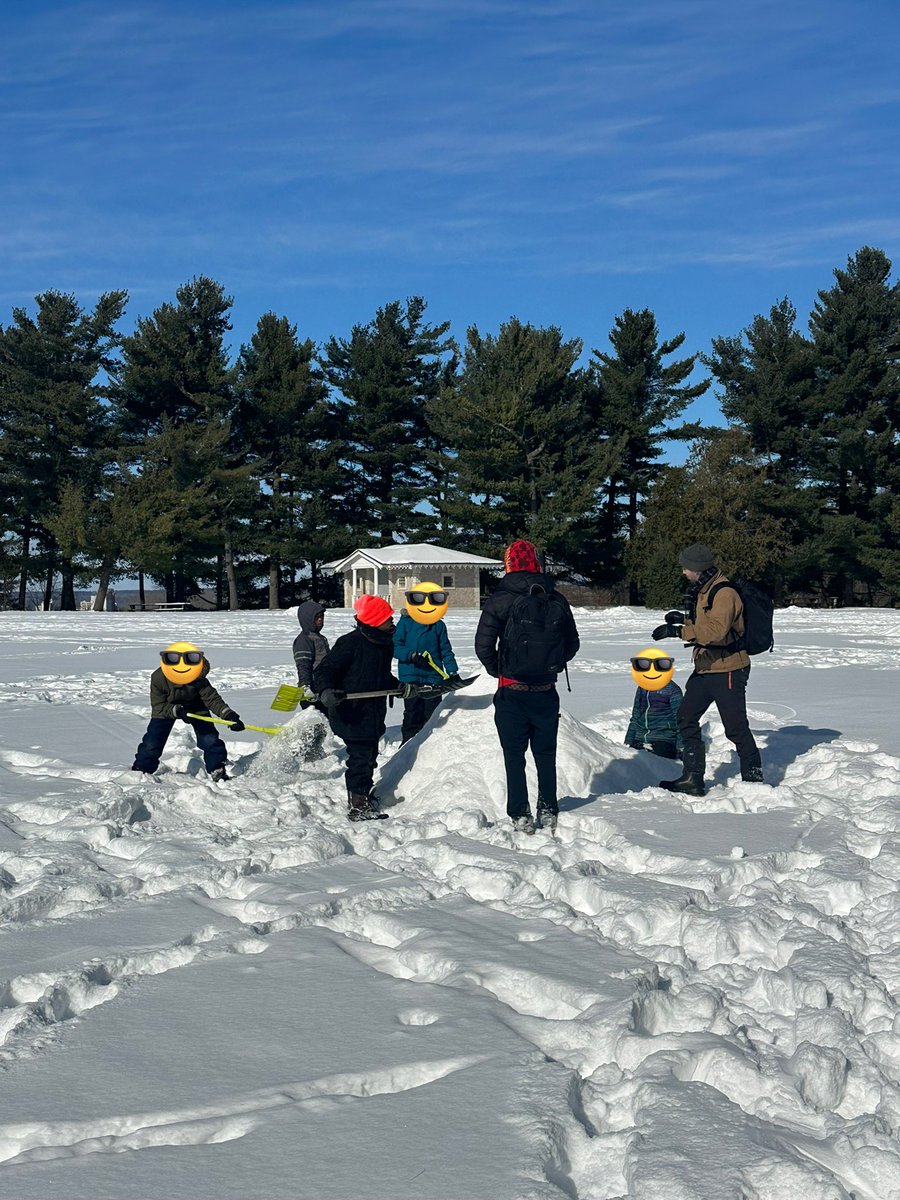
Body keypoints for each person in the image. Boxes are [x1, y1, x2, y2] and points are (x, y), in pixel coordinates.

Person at [475, 539, 580, 834]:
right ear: (537, 562)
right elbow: (572, 644)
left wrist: (501, 669)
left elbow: (482, 645)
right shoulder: (555, 598)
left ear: (509, 564)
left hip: (512, 691)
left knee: (514, 755)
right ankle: (548, 809)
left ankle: (520, 813)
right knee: (545, 753)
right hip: (546, 691)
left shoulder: (501, 599)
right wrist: (550, 665)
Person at [652, 543, 763, 795]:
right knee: (686, 717)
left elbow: (716, 631)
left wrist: (678, 632)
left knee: (735, 727)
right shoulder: (704, 589)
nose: (683, 572)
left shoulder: (724, 592)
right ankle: (692, 778)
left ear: (697, 568)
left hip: (729, 668)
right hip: (705, 667)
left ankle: (754, 778)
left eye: (686, 568)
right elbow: (708, 622)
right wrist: (683, 619)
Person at [313, 594, 403, 821]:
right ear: (374, 620)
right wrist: (326, 691)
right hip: (350, 710)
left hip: (373, 710)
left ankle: (362, 793)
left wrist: (398, 687)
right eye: (388, 619)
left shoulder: (384, 643)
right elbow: (325, 671)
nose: (392, 622)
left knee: (370, 755)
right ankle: (358, 804)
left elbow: (380, 675)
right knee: (361, 757)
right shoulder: (350, 642)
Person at [132, 641, 244, 782]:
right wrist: (178, 711)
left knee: (210, 739)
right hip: (167, 708)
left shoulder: (200, 680)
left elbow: (212, 699)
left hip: (195, 705)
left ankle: (217, 770)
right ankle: (141, 770)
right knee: (153, 741)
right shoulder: (159, 678)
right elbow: (158, 706)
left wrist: (229, 715)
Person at [394, 581, 464, 744]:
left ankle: (429, 747)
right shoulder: (405, 623)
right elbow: (395, 647)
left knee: (432, 715)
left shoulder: (438, 625)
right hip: (410, 677)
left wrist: (452, 671)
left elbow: (445, 650)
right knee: (412, 713)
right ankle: (407, 746)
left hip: (433, 677)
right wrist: (411, 656)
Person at [625, 679, 683, 760]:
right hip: (639, 739)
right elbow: (635, 716)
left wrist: (681, 748)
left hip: (664, 740)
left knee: (656, 766)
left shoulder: (672, 689)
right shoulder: (642, 687)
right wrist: (628, 741)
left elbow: (681, 721)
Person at [292, 600, 330, 695]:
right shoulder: (304, 639)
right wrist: (305, 685)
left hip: (325, 681)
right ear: (307, 619)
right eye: (317, 617)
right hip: (315, 685)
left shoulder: (319, 638)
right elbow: (303, 664)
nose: (320, 620)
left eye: (321, 617)